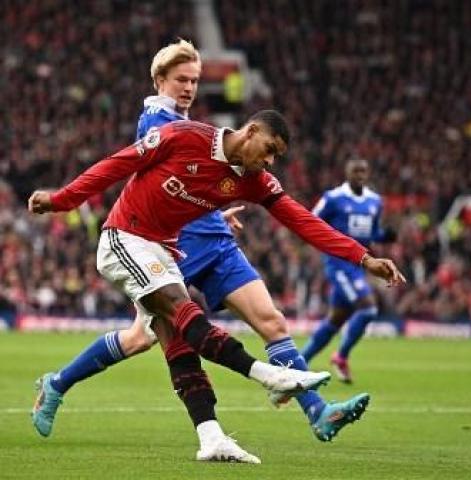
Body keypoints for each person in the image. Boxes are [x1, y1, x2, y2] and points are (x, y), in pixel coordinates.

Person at [30, 40, 374, 456]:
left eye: (195, 80)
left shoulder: (222, 148)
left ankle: (314, 412)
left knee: (270, 320)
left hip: (208, 243)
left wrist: (362, 256)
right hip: (160, 245)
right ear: (160, 81)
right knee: (148, 338)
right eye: (181, 80)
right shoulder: (159, 122)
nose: (190, 88)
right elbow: (145, 173)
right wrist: (63, 199)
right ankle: (59, 382)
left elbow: (286, 212)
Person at [301, 158, 395, 382]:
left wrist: (385, 236)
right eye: (356, 171)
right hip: (338, 264)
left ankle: (298, 363)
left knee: (335, 320)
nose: (360, 175)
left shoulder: (375, 201)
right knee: (368, 309)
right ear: (347, 173)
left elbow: (371, 233)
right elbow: (309, 221)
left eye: (363, 171)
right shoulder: (333, 199)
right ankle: (341, 357)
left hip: (358, 264)